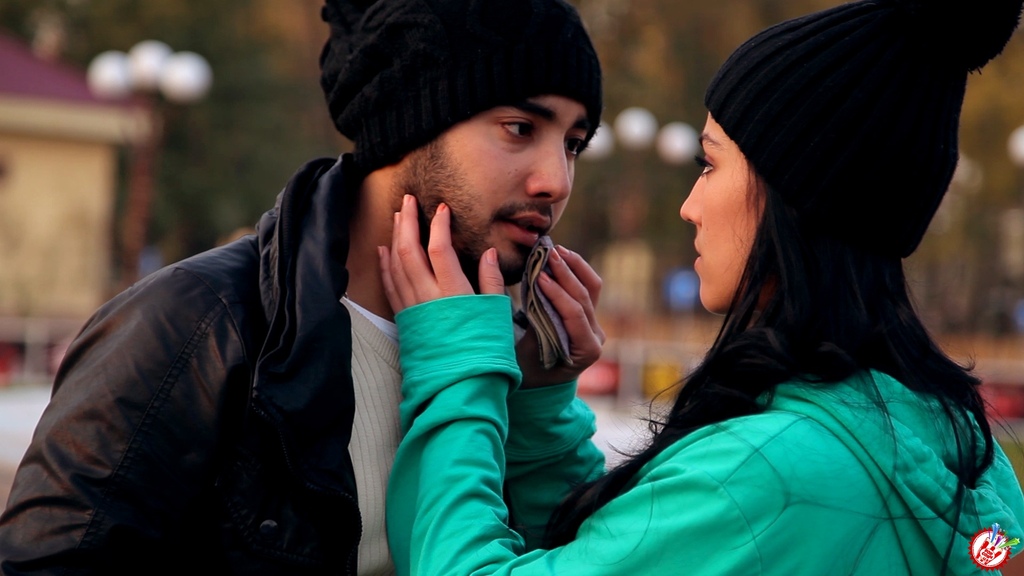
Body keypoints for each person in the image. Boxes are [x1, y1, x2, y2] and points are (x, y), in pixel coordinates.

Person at [379, 0, 1024, 574]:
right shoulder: (967, 455)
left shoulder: (764, 478)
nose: (689, 206)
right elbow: (620, 556)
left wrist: (457, 370)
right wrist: (545, 418)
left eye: (709, 164)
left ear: (793, 193)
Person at [0, 0, 606, 574]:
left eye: (573, 145)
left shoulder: (513, 359)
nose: (556, 180)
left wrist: (542, 404)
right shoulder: (196, 324)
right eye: (519, 128)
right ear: (412, 117)